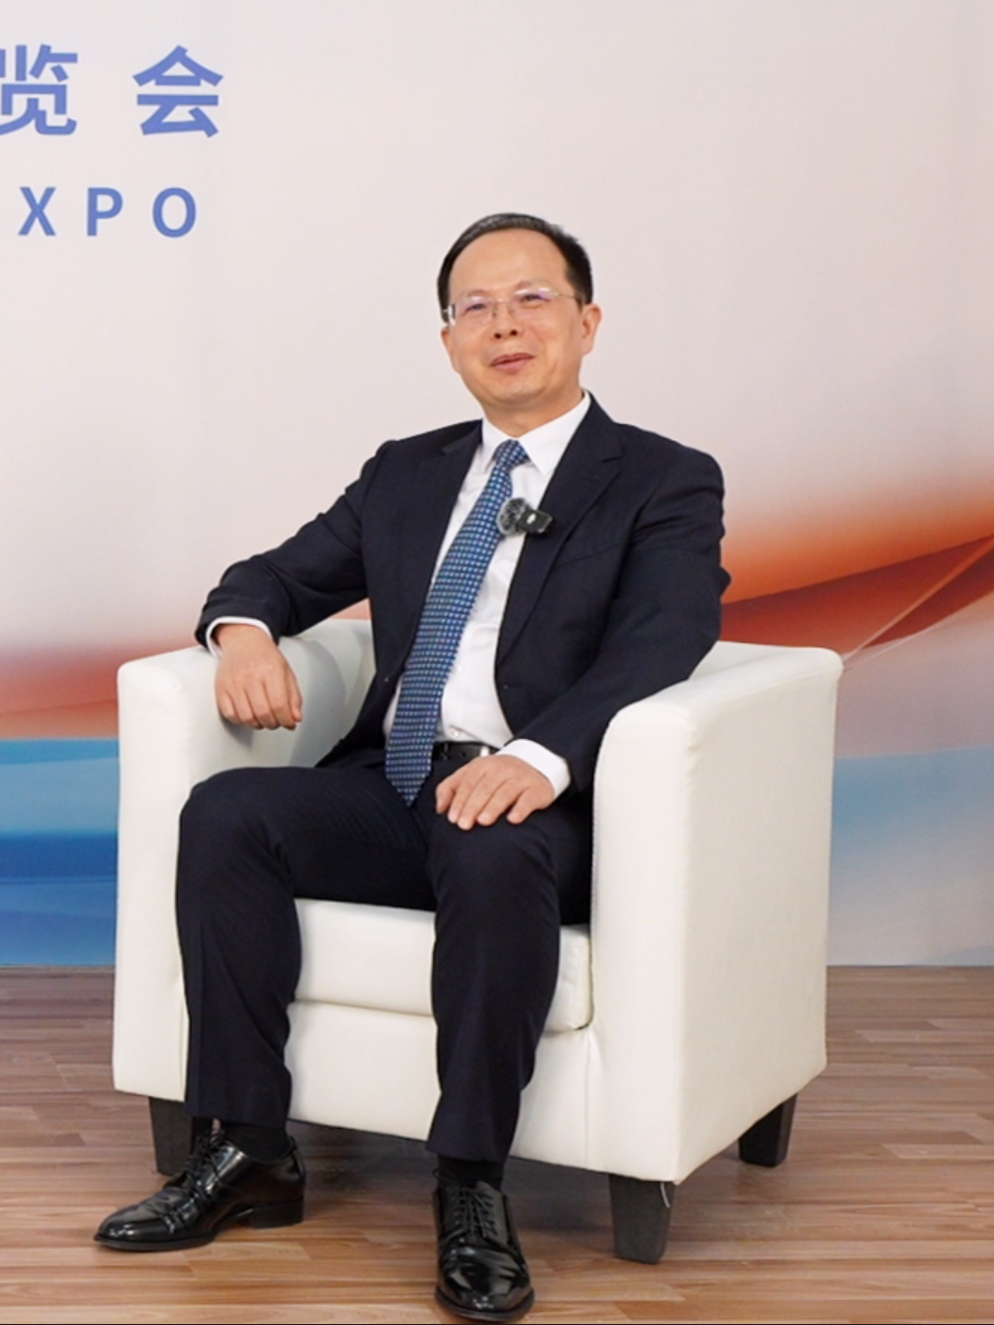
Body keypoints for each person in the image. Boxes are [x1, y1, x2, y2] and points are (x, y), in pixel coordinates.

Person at [94, 213, 729, 1322]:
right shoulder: (407, 471)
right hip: (394, 782)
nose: (503, 325)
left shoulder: (661, 478)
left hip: (536, 796)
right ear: (448, 341)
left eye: (531, 299)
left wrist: (540, 755)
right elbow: (272, 574)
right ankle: (248, 1149)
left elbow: (662, 636)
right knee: (228, 813)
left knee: (489, 851)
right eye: (474, 307)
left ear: (587, 322)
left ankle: (470, 1183)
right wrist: (243, 632)